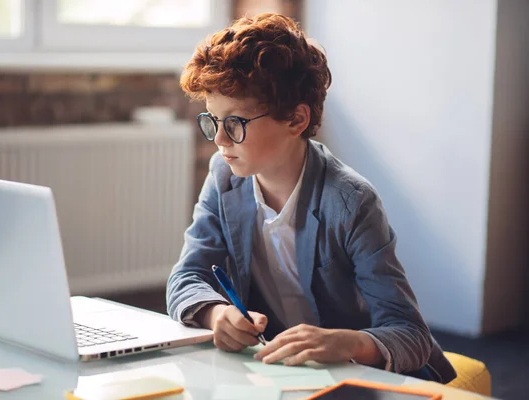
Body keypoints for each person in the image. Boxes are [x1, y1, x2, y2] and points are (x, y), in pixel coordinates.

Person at [166, 12, 456, 383]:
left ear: (296, 120)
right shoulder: (223, 177)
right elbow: (186, 276)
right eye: (212, 120)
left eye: (235, 123)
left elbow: (410, 333)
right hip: (285, 372)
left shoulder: (351, 202)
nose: (220, 140)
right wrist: (214, 313)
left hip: (360, 376)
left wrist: (347, 342)